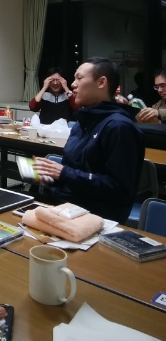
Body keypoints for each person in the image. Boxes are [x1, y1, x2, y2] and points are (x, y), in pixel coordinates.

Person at [33, 57, 144, 224]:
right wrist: (49, 176)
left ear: (101, 82)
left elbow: (118, 189)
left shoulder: (119, 127)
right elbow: (74, 170)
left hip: (96, 217)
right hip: (67, 205)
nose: (73, 84)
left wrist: (63, 173)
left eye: (79, 78)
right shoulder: (82, 122)